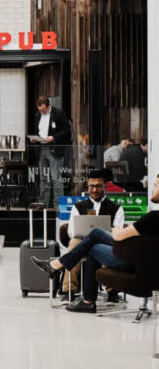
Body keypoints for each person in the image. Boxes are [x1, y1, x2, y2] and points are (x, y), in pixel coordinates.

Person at [34, 173, 159, 313]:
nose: (152, 188)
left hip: (133, 262)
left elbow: (120, 236)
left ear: (104, 187)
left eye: (155, 185)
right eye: (91, 186)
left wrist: (117, 231)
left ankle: (57, 265)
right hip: (144, 262)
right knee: (91, 244)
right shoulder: (153, 218)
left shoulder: (153, 217)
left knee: (95, 234)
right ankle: (80, 297)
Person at [58, 169, 125, 299]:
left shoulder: (117, 208)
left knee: (110, 249)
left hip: (105, 241)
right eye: (91, 186)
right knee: (73, 243)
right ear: (87, 187)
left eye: (98, 186)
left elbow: (118, 231)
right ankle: (69, 290)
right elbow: (72, 231)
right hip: (81, 240)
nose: (94, 190)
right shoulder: (78, 206)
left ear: (105, 186)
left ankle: (112, 291)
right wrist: (86, 238)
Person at [33, 96, 71, 208]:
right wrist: (35, 138)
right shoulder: (37, 116)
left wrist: (53, 137)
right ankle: (43, 202)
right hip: (42, 148)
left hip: (55, 148)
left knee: (56, 177)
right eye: (40, 110)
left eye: (43, 110)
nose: (42, 112)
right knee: (43, 178)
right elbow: (38, 131)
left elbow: (67, 131)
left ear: (48, 105)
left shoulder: (58, 113)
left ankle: (58, 204)